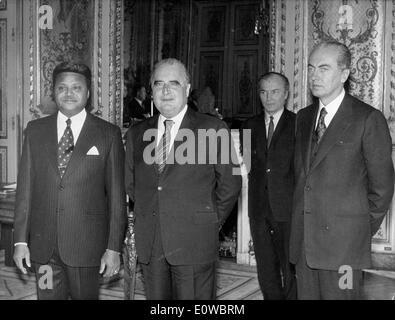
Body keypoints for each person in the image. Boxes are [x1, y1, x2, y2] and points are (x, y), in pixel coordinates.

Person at [125, 58, 241, 300]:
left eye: (174, 84)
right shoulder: (137, 133)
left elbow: (231, 184)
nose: (165, 91)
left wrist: (209, 222)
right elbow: (131, 183)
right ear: (151, 91)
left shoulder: (213, 127)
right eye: (158, 84)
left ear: (187, 90)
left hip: (194, 241)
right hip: (152, 242)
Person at [290, 41, 394, 299]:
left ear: (344, 74)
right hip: (304, 246)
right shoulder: (303, 118)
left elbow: (382, 188)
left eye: (323, 68)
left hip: (344, 248)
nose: (314, 76)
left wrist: (355, 230)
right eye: (311, 68)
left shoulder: (367, 118)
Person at [13, 62, 127, 300]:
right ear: (53, 93)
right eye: (62, 88)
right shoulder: (34, 131)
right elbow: (25, 192)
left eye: (76, 88)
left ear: (87, 93)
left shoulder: (108, 134)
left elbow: (117, 199)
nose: (69, 93)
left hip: (85, 247)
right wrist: (20, 242)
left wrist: (114, 248)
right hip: (43, 248)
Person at [241, 72, 297, 300]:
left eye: (274, 92)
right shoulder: (248, 125)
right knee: (266, 268)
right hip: (259, 209)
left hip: (288, 208)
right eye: (263, 92)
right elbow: (246, 164)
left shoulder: (299, 124)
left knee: (290, 267)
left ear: (285, 94)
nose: (269, 97)